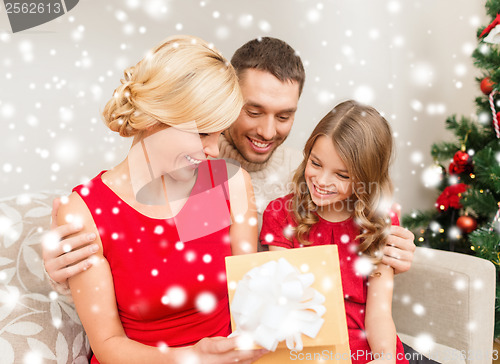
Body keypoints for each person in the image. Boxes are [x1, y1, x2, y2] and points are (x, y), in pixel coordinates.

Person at [43, 37, 415, 298]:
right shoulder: (177, 161)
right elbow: (154, 256)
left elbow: (355, 215)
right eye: (252, 111)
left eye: (284, 116)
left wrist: (396, 244)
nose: (268, 132)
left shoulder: (308, 171)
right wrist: (63, 274)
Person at [53, 35, 267, 364]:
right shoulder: (84, 212)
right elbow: (109, 344)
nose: (213, 150)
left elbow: (245, 301)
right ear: (155, 119)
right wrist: (193, 357)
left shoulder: (228, 185)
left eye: (220, 133)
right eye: (203, 133)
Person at [260, 100, 439, 364]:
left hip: (368, 349)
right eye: (316, 163)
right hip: (309, 348)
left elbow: (378, 313)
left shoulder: (380, 220)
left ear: (366, 179)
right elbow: (283, 307)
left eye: (342, 175)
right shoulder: (281, 214)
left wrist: (385, 359)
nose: (321, 181)